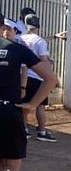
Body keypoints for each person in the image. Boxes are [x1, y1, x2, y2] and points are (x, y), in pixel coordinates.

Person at [0, 13, 58, 171]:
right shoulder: (16, 48)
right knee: (11, 165)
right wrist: (33, 104)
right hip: (9, 110)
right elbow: (52, 78)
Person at [19, 14, 57, 142]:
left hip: (23, 76)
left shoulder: (20, 38)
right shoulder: (40, 41)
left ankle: (24, 130)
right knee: (40, 106)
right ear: (38, 25)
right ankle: (41, 131)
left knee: (23, 104)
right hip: (38, 77)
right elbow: (43, 60)